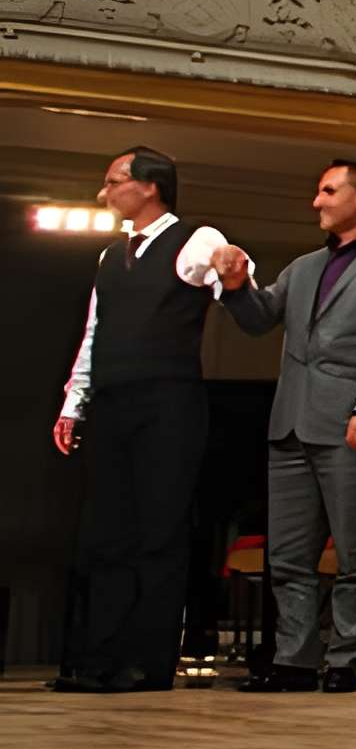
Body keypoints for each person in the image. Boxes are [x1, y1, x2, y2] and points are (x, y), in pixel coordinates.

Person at [219, 160, 356, 694]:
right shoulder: (305, 266)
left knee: (354, 553)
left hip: (347, 423)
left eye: (328, 191)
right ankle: (294, 659)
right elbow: (260, 317)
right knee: (288, 555)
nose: (317, 201)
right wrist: (238, 287)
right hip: (290, 422)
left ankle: (345, 658)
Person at [51, 147, 237, 694]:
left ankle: (147, 662)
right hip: (111, 402)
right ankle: (97, 659)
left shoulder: (194, 238)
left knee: (158, 532)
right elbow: (94, 331)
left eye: (113, 183)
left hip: (168, 403)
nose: (104, 194)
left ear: (149, 187)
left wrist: (234, 270)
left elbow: (228, 274)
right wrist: (72, 402)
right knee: (106, 531)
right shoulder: (111, 256)